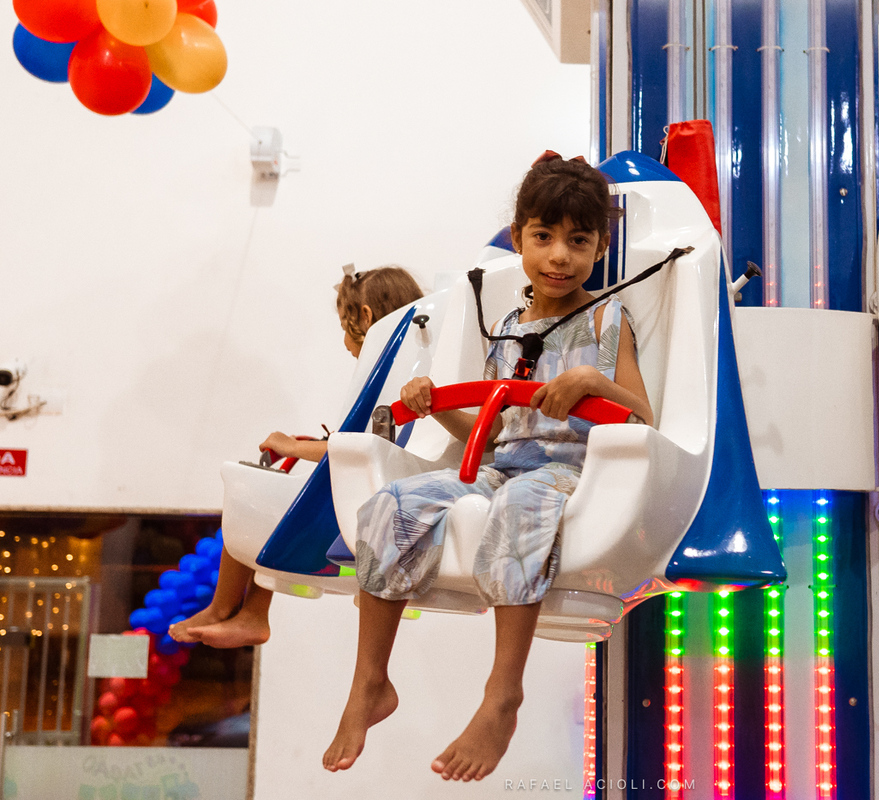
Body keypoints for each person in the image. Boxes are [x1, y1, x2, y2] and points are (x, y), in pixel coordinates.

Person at [322, 153, 655, 782]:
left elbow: (643, 418)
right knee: (390, 504)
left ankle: (502, 696)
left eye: (578, 242)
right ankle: (371, 682)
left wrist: (593, 383)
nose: (559, 256)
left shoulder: (607, 320)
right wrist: (436, 405)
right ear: (520, 237)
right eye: (543, 237)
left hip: (572, 470)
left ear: (600, 247)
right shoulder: (505, 326)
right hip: (502, 462)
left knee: (518, 505)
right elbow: (494, 431)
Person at [167, 265, 423, 649]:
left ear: (366, 316)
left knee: (249, 490)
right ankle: (252, 613)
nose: (344, 341)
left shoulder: (394, 378)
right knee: (276, 498)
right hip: (381, 493)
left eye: (345, 327)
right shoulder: (413, 368)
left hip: (373, 508)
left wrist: (292, 446)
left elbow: (364, 450)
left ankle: (222, 609)